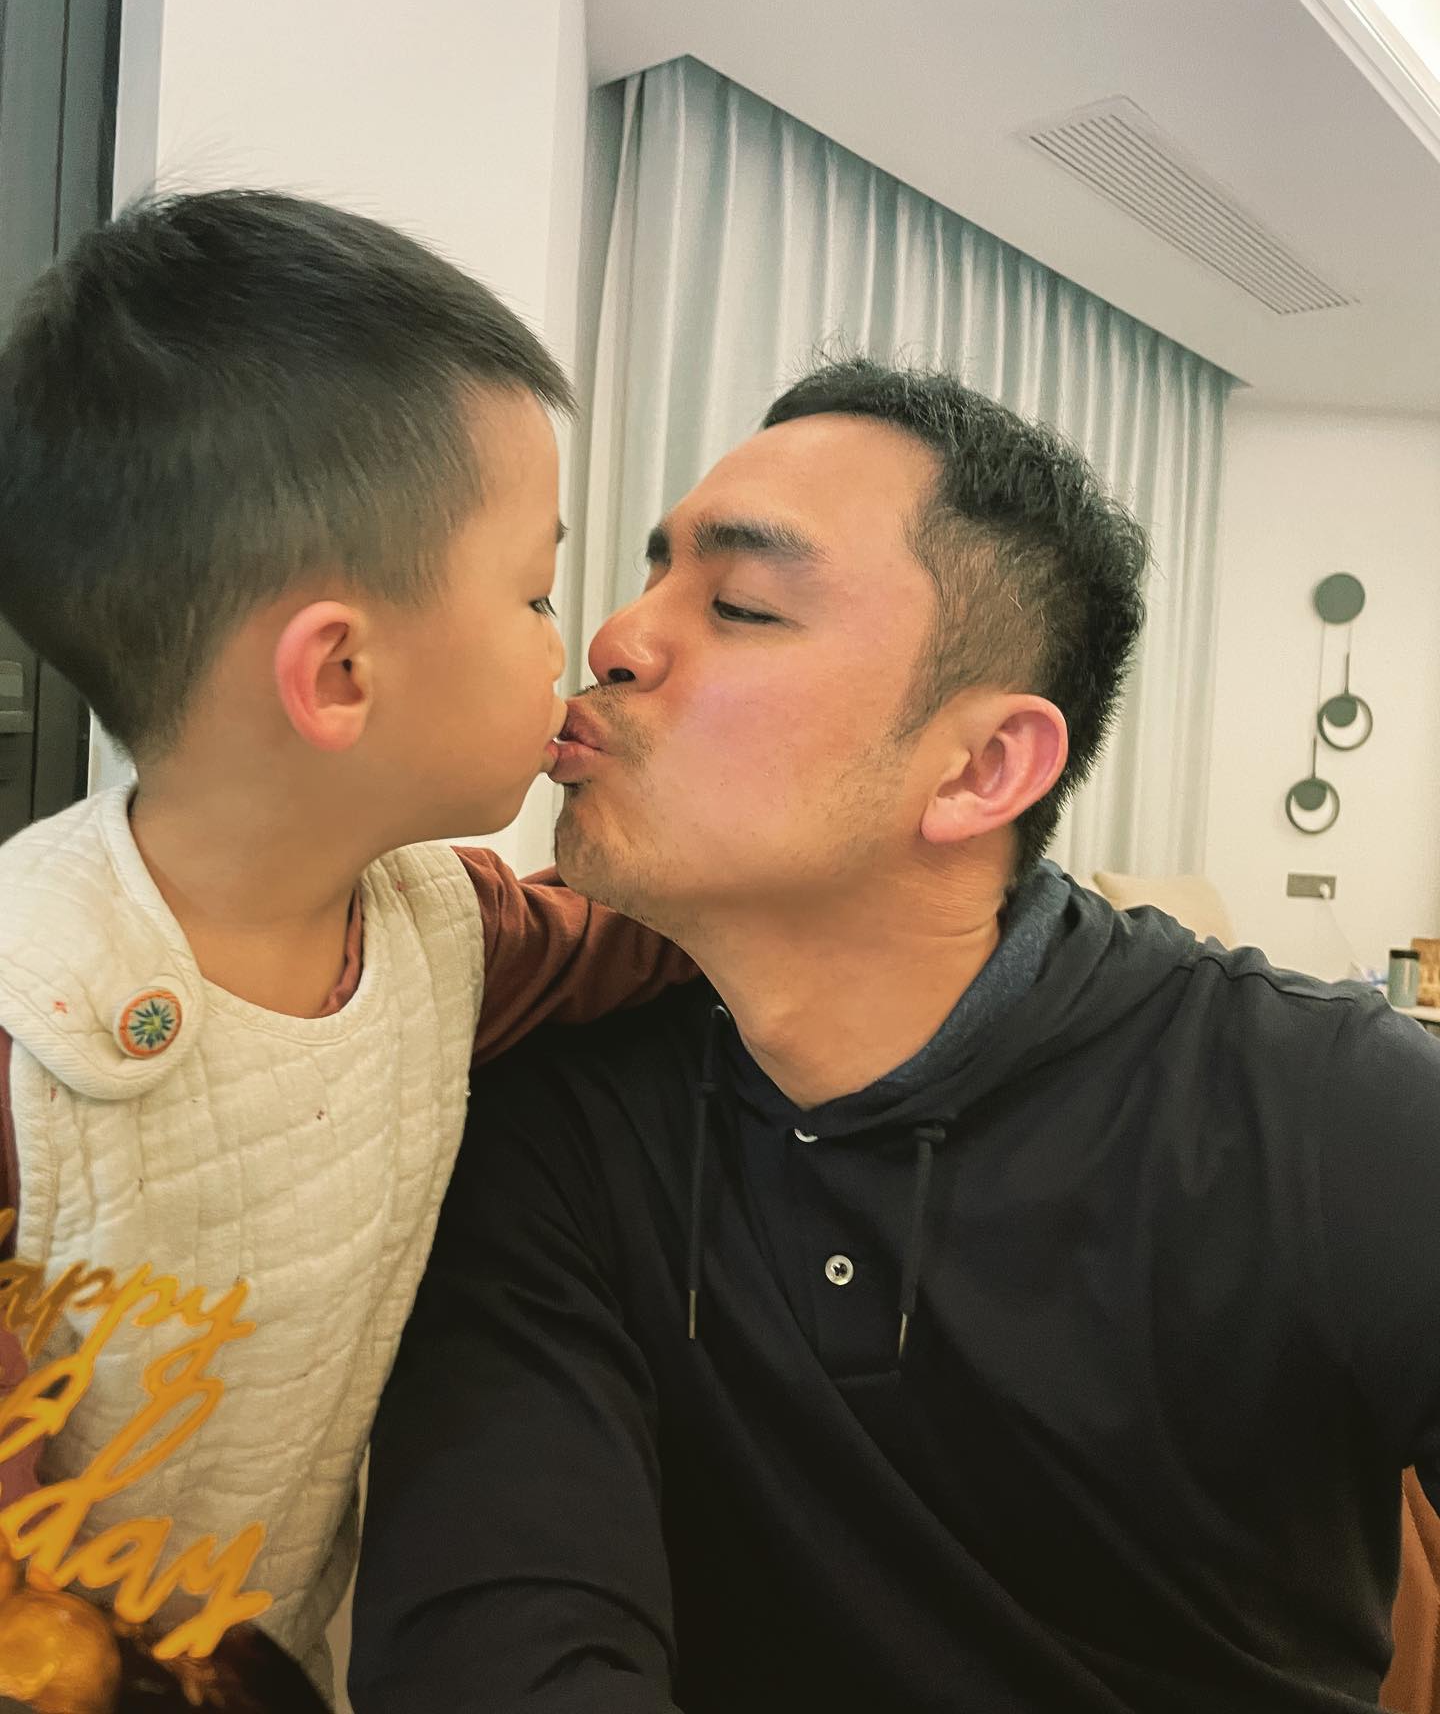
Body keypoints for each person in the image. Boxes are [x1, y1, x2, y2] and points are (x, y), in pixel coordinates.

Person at [351, 358, 1440, 1713]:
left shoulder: (1326, 1113)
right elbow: (495, 1655)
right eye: (652, 576)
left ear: (983, 768)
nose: (617, 637)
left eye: (741, 605)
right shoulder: (555, 1123)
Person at [0, 191, 692, 1698]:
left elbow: (657, 943)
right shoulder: (28, 1021)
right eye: (534, 591)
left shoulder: (450, 924)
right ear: (339, 675)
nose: (573, 641)